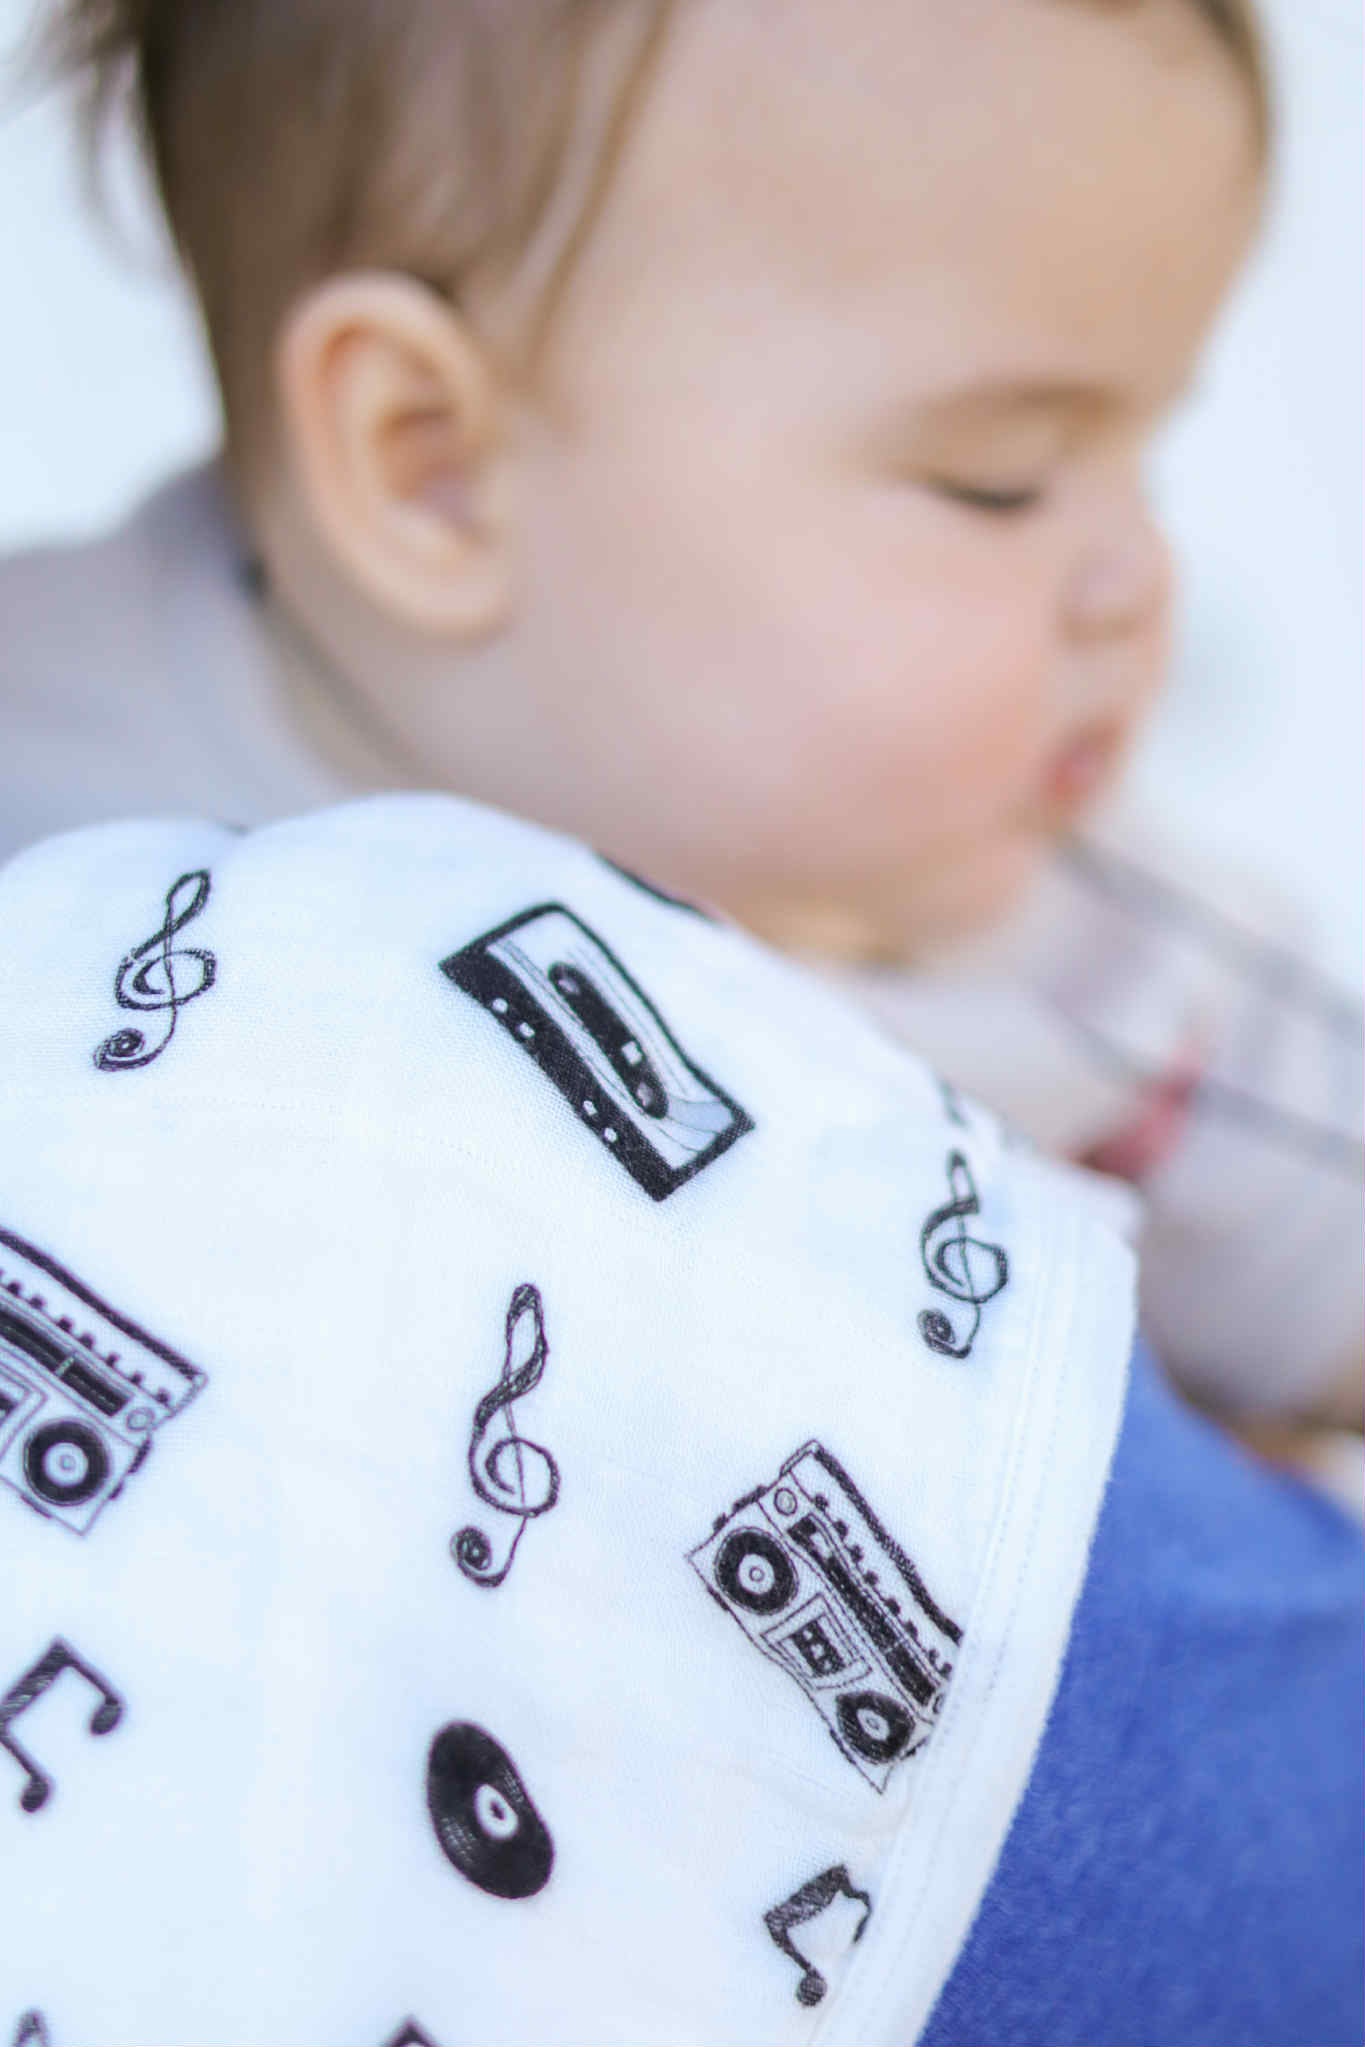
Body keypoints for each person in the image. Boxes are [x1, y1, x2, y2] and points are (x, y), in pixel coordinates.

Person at [0, 0, 1359, 2036]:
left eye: (1137, 452)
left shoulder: (1066, 952)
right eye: (999, 479)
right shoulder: (58, 749)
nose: (1133, 580)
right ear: (430, 466)